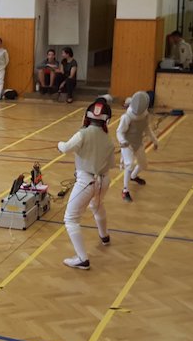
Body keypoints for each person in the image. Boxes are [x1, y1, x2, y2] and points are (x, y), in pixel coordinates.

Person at [57, 96, 115, 269]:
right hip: (103, 181)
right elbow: (111, 164)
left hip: (86, 182)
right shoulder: (108, 139)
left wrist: (59, 144)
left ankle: (82, 259)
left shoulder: (83, 133)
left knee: (70, 219)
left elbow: (65, 148)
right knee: (97, 205)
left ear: (87, 117)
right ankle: (104, 236)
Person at [116, 91, 159, 202]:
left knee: (143, 164)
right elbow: (119, 132)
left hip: (138, 143)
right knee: (129, 164)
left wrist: (155, 140)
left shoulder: (145, 115)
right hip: (127, 144)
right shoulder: (126, 117)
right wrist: (123, 141)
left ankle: (133, 176)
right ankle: (125, 190)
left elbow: (147, 128)